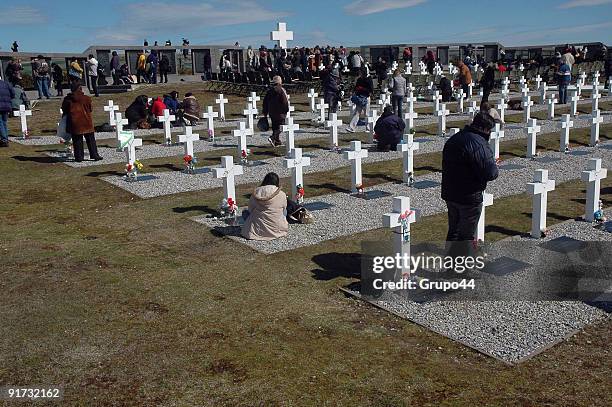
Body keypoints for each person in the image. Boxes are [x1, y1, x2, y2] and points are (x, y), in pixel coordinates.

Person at [441, 112, 498, 261]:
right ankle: (463, 268)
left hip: (450, 192)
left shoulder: (455, 138)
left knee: (453, 230)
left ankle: (449, 263)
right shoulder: (478, 143)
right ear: (486, 129)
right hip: (469, 195)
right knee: (466, 235)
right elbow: (491, 173)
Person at [61, 82, 102, 162]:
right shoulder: (86, 98)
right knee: (90, 140)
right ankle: (94, 155)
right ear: (80, 89)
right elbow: (90, 109)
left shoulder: (68, 100)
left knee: (77, 140)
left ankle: (79, 157)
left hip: (75, 122)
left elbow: (64, 110)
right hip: (86, 121)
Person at [241, 172, 289, 241]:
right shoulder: (282, 194)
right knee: (284, 211)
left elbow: (250, 209)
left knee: (245, 212)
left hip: (257, 229)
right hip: (277, 229)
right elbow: (284, 209)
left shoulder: (256, 193)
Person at [263, 75, 289, 147]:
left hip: (272, 112)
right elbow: (284, 101)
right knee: (281, 125)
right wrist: (286, 110)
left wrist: (265, 112)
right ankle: (273, 137)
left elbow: (265, 102)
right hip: (280, 112)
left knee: (275, 126)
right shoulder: (281, 90)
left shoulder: (270, 91)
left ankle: (277, 142)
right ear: (280, 82)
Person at [0, 76, 15, 147]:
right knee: (4, 122)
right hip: (7, 106)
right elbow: (13, 94)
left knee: (0, 123)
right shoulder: (6, 84)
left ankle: (4, 139)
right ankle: (5, 137)